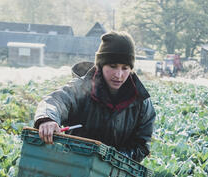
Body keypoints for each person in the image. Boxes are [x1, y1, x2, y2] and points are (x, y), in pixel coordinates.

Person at [34, 30, 156, 163]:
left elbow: (141, 146)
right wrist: (47, 119)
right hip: (74, 165)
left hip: (114, 172)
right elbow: (55, 101)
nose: (119, 74)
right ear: (101, 65)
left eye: (125, 68)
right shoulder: (80, 88)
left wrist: (111, 157)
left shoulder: (142, 102)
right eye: (113, 66)